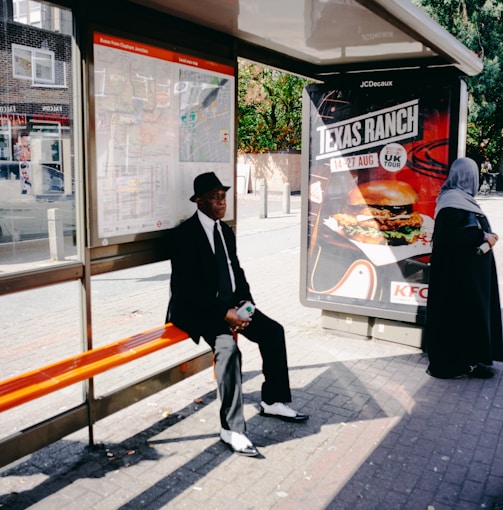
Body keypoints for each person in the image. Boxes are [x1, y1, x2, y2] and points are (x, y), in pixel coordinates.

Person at [165, 172, 308, 456]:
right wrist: (225, 313)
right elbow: (187, 289)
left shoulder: (225, 231)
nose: (222, 202)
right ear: (199, 201)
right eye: (215, 197)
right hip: (200, 311)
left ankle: (273, 401)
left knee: (273, 332)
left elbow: (236, 272)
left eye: (223, 196)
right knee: (229, 350)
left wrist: (246, 305)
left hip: (231, 305)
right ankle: (231, 429)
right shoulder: (184, 235)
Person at [424, 157, 503, 379]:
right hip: (456, 279)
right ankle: (454, 365)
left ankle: (469, 361)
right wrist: (482, 235)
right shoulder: (451, 201)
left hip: (466, 277)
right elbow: (447, 237)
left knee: (467, 318)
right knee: (456, 319)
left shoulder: (461, 200)